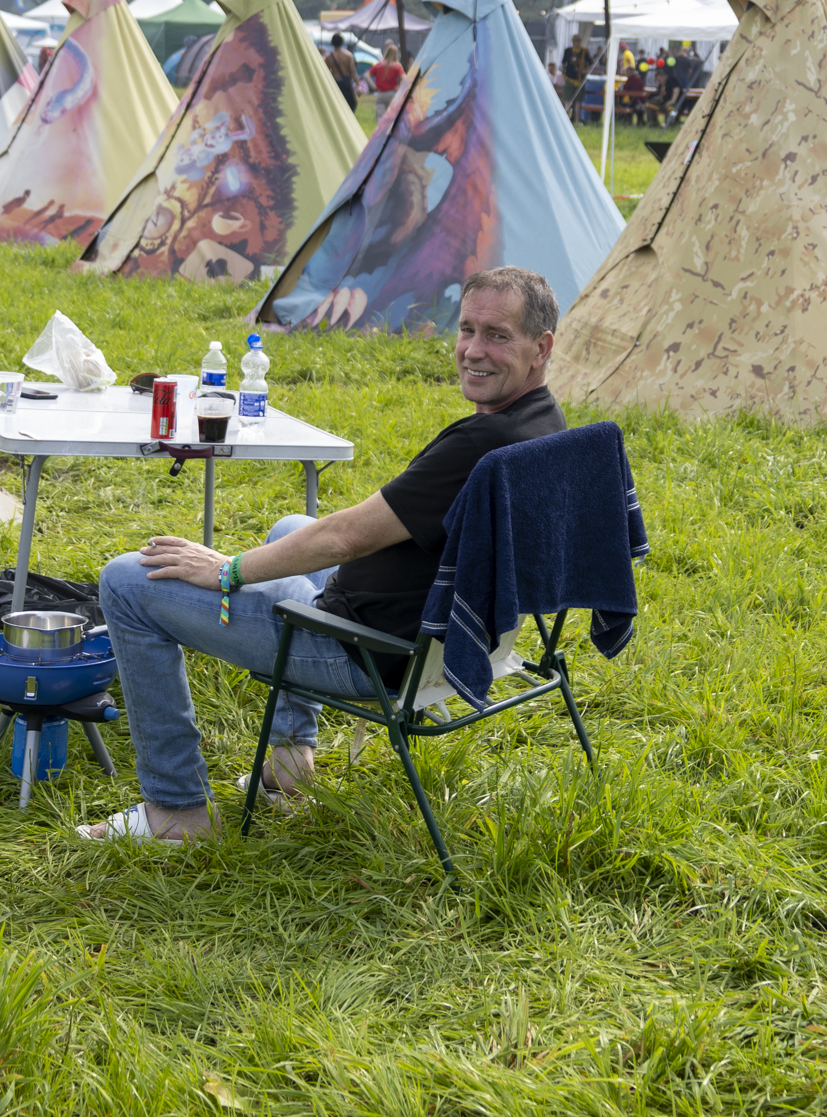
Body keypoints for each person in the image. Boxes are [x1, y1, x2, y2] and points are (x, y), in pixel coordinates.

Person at [78, 266, 570, 841]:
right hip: (449, 633)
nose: (473, 350)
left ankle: (178, 812)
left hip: (372, 652)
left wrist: (227, 570)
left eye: (497, 335)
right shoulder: (544, 426)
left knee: (126, 582)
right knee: (291, 525)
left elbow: (345, 537)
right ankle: (289, 767)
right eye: (467, 329)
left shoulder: (483, 446)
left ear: (542, 347)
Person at [324, 33, 358, 114]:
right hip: (345, 83)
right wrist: (358, 86)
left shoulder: (329, 57)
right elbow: (353, 72)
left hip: (334, 82)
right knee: (351, 104)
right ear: (342, 42)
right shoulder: (348, 55)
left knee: (336, 104)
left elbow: (326, 72)